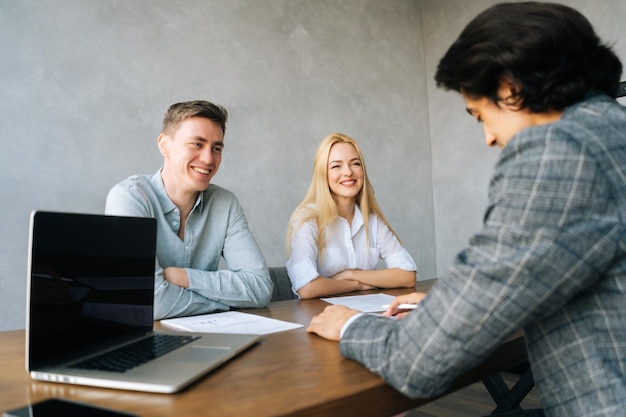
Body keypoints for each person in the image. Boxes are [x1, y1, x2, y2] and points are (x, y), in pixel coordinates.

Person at [306, 3, 626, 417]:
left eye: (480, 116)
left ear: (509, 86)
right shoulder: (611, 132)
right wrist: (459, 305)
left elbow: (418, 362)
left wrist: (348, 325)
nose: (489, 139)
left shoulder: (560, 150)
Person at [105, 100, 273, 320]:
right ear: (164, 145)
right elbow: (150, 301)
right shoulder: (129, 198)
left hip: (208, 338)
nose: (208, 159)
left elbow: (260, 288)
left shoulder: (225, 203)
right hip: (141, 341)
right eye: (197, 144)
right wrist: (224, 303)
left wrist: (183, 277)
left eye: (216, 148)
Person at [286, 133, 417, 299]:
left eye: (355, 164)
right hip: (320, 316)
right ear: (323, 174)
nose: (348, 172)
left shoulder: (372, 220)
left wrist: (351, 274)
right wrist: (356, 285)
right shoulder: (308, 219)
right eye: (336, 166)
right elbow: (307, 287)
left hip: (364, 313)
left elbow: (407, 276)